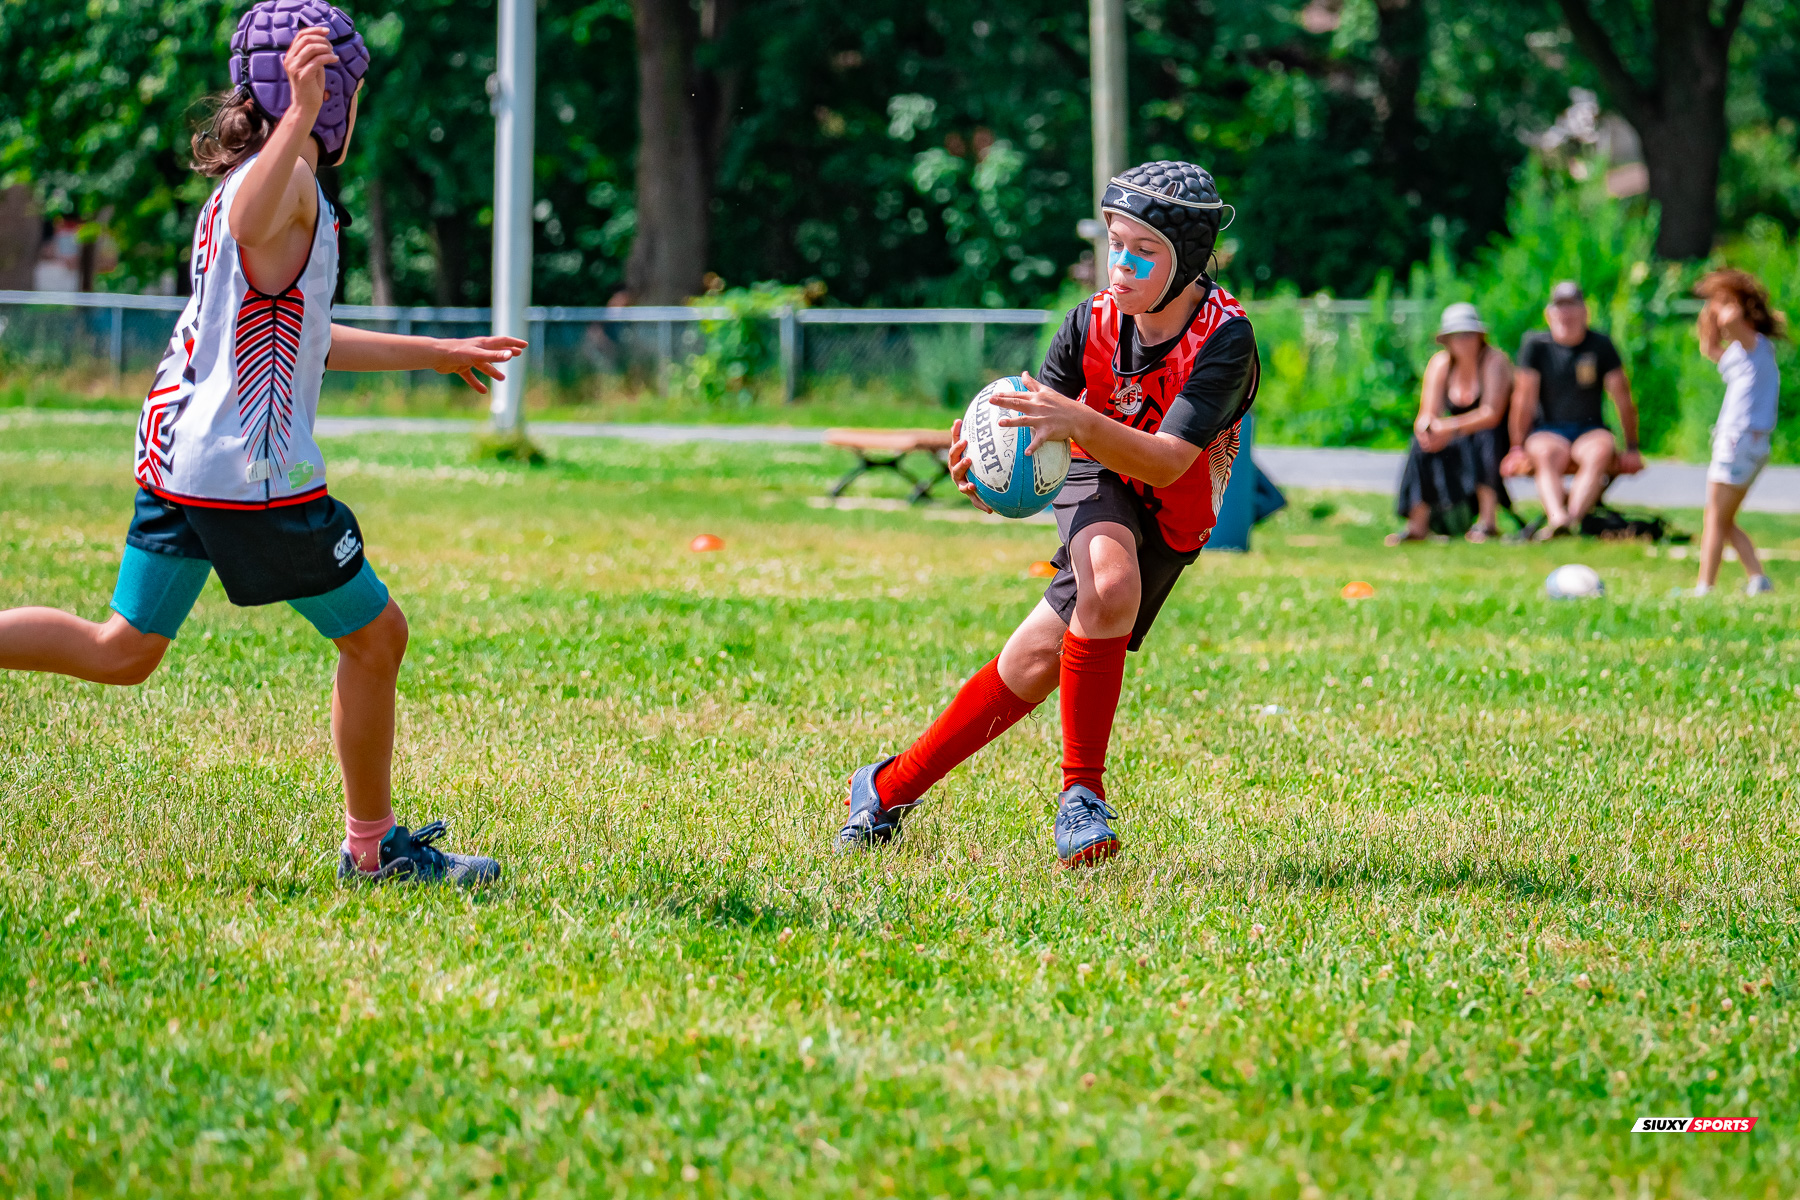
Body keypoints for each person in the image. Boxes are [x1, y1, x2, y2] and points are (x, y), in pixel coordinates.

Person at [0, 3, 525, 885]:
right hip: (248, 473)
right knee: (376, 637)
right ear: (336, 102)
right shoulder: (279, 188)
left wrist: (434, 353)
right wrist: (298, 114)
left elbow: (300, 331)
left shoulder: (253, 184)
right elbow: (254, 227)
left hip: (179, 453)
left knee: (122, 649)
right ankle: (373, 852)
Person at [834, 161, 1258, 867]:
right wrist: (979, 460)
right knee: (1110, 583)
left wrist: (1074, 420)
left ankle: (885, 787)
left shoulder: (1225, 339)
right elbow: (1032, 429)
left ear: (1186, 260)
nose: (1119, 265)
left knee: (1034, 660)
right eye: (1113, 242)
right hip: (1096, 472)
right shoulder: (1086, 324)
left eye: (1143, 251)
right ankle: (1081, 797)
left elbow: (1164, 461)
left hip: (1170, 505)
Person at [1500, 281, 1644, 538]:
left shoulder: (1600, 345)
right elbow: (1523, 400)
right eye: (1560, 306)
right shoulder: (1536, 345)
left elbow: (1622, 398)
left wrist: (1632, 447)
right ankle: (1558, 518)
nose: (1566, 314)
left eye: (1572, 306)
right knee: (1544, 454)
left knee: (1600, 451)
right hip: (1549, 431)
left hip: (1590, 430)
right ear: (1550, 313)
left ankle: (1572, 519)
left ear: (1584, 311)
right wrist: (1517, 447)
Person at [1688, 269, 1785, 596]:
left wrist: (1722, 305)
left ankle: (1705, 587)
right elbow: (1711, 348)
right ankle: (1758, 579)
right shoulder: (1743, 355)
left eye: (1724, 302)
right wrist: (1709, 315)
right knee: (1723, 518)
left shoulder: (1755, 345)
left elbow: (1730, 323)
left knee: (1715, 517)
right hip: (1744, 442)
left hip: (1739, 442)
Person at [1387, 302, 1514, 545]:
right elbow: (1427, 412)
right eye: (1457, 336)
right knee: (1419, 444)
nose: (1464, 341)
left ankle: (1488, 522)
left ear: (1479, 336)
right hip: (1457, 435)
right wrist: (1428, 430)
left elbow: (1491, 414)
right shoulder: (1441, 364)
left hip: (1495, 437)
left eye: (1469, 335)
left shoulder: (1494, 361)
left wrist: (1447, 427)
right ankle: (1417, 524)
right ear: (1447, 340)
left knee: (1487, 438)